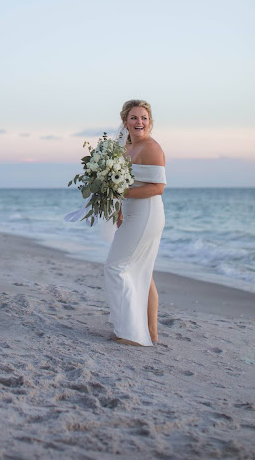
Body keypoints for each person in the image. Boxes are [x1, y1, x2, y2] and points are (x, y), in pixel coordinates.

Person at [104, 99, 166, 346]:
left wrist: (122, 195)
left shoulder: (152, 148)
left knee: (115, 267)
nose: (139, 122)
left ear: (149, 121)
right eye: (134, 118)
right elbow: (121, 181)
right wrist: (119, 208)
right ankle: (150, 333)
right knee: (143, 272)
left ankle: (129, 332)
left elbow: (158, 187)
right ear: (125, 121)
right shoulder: (125, 148)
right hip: (131, 214)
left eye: (143, 118)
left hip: (146, 214)